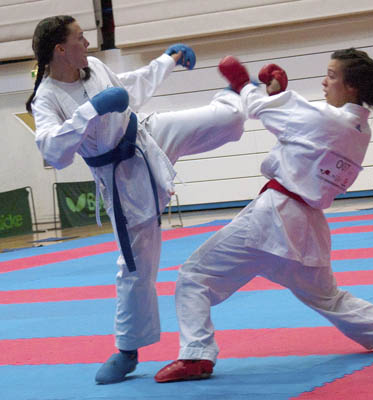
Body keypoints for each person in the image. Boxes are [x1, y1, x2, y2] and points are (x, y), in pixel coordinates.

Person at [27, 15, 252, 385]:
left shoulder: (95, 66)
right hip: (121, 178)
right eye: (80, 39)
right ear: (60, 50)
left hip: (146, 133)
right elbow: (53, 151)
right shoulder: (46, 99)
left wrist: (167, 60)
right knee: (136, 267)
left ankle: (244, 93)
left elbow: (127, 88)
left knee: (216, 120)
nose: (88, 44)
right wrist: (92, 110)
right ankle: (127, 351)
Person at [154, 48, 373, 383]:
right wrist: (281, 95)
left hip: (272, 218)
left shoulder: (325, 119)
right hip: (308, 226)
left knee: (194, 277)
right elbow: (305, 132)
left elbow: (258, 109)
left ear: (352, 86)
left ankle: (195, 355)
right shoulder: (359, 130)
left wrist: (243, 84)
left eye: (330, 74)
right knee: (330, 298)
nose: (323, 81)